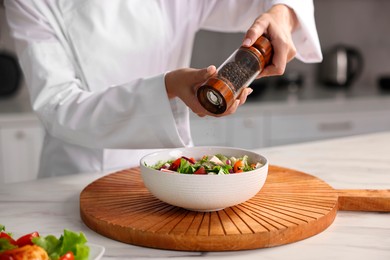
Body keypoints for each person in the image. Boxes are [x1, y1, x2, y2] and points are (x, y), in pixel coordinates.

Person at [4, 0, 322, 178]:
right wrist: (167, 88)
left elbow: (272, 4)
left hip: (172, 172)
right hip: (77, 177)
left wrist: (281, 12)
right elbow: (58, 107)